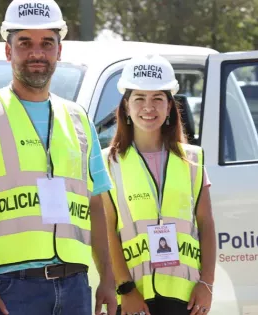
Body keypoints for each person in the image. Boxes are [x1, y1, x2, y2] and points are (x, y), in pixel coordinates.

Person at [0, 0, 116, 314]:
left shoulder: (79, 119)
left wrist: (107, 278)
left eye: (47, 43)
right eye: (25, 43)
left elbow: (96, 205)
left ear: (59, 52)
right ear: (9, 52)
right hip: (8, 287)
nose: (37, 52)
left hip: (75, 284)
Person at [100, 54, 217, 315]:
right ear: (126, 107)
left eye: (157, 99)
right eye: (139, 98)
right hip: (134, 295)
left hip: (185, 297)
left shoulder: (193, 160)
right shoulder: (107, 162)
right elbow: (107, 230)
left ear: (169, 107)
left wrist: (206, 283)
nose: (148, 107)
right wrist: (125, 288)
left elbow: (206, 224)